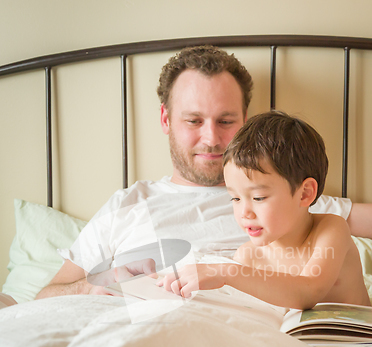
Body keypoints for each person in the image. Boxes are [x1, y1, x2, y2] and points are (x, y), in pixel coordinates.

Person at [35, 45, 372, 300]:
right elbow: (44, 297)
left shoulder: (290, 199)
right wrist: (94, 285)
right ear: (166, 119)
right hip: (129, 322)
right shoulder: (127, 204)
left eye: (226, 121)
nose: (211, 138)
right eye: (193, 120)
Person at [159, 111, 370, 309]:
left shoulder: (330, 229)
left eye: (258, 197)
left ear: (305, 193)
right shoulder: (248, 256)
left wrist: (227, 271)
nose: (244, 212)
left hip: (356, 342)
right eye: (235, 198)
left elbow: (310, 290)